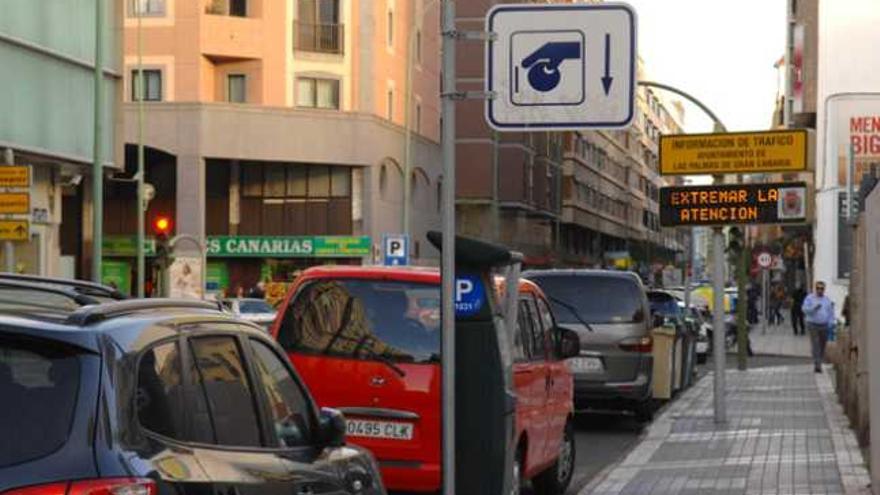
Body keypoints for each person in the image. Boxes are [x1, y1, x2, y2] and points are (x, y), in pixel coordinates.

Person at [802, 281, 835, 373]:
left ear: (824, 290)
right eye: (818, 288)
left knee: (822, 344)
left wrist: (831, 323)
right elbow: (804, 309)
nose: (820, 290)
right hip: (813, 324)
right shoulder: (810, 298)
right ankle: (817, 364)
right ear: (815, 289)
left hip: (824, 325)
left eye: (822, 288)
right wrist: (813, 309)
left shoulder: (827, 300)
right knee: (815, 344)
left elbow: (830, 312)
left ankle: (819, 360)